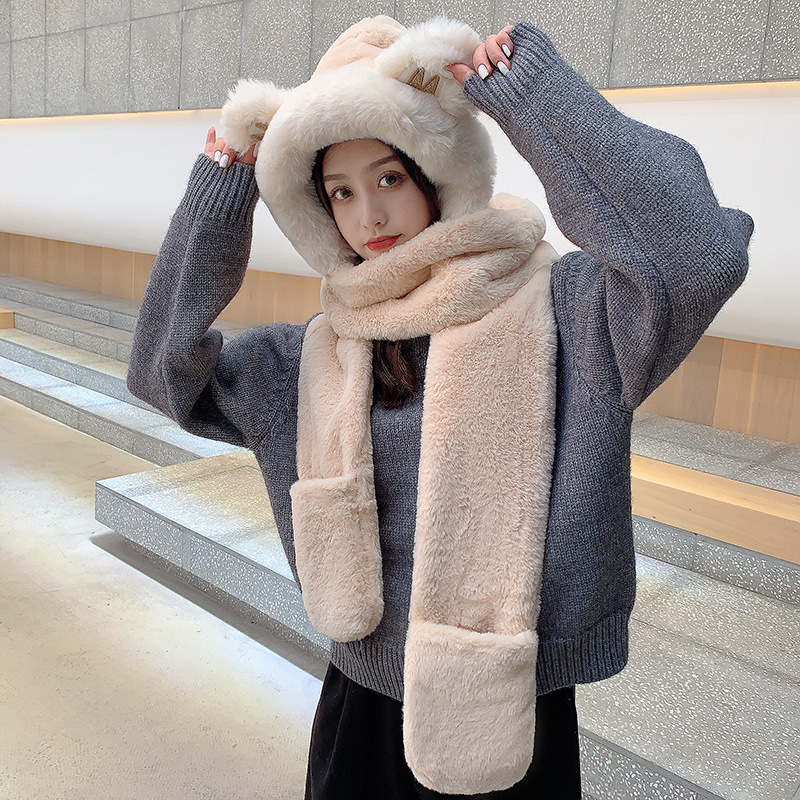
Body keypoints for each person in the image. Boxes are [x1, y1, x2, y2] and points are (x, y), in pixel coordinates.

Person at [127, 16, 754, 800]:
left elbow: (698, 256)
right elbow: (162, 372)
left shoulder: (568, 317)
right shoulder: (306, 359)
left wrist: (533, 96)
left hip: (513, 715)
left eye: (390, 178)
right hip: (363, 711)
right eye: (340, 192)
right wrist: (220, 195)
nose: (368, 216)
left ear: (436, 168)